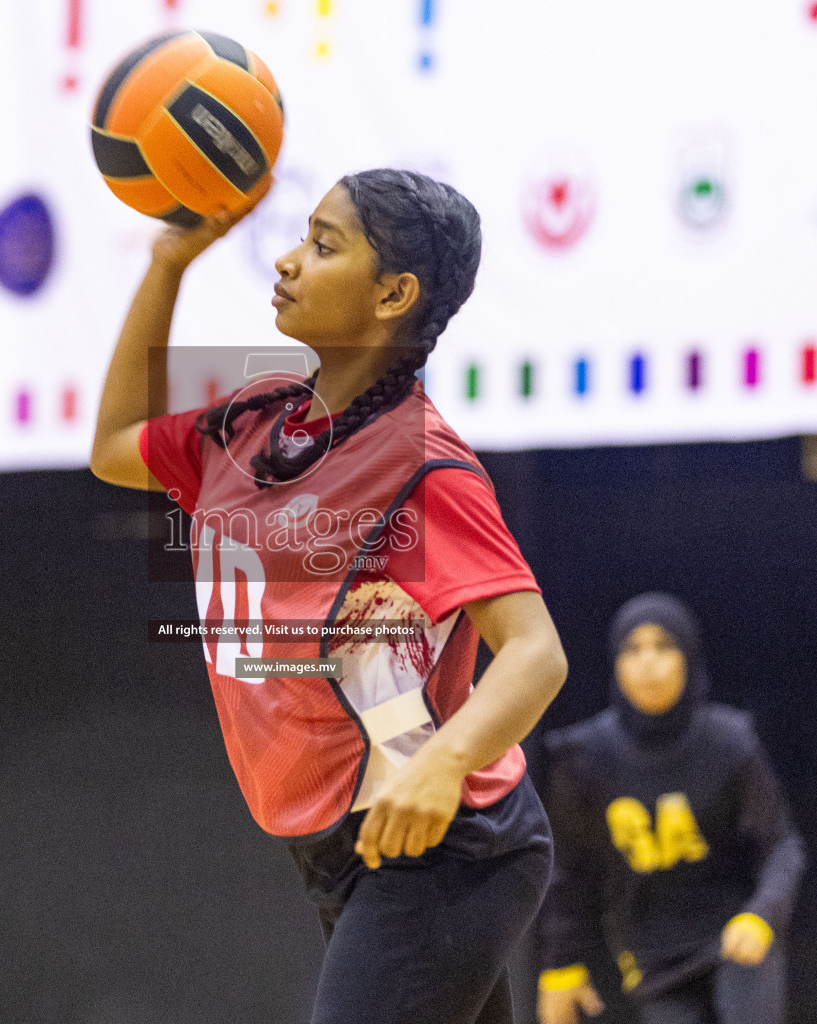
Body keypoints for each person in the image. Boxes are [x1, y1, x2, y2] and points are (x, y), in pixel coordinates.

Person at [89, 168, 570, 1024]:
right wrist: (167, 263)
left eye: (322, 244)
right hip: (338, 843)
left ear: (393, 293)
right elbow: (116, 446)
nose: (287, 261)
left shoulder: (425, 466)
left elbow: (537, 653)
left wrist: (445, 763)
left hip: (445, 841)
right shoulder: (254, 423)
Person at [534, 592, 804, 1024]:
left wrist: (762, 913)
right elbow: (567, 871)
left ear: (688, 658)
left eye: (664, 647)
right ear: (616, 664)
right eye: (632, 649)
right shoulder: (585, 757)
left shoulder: (729, 741)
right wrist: (560, 966)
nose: (648, 663)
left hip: (734, 940)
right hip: (652, 959)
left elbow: (782, 844)